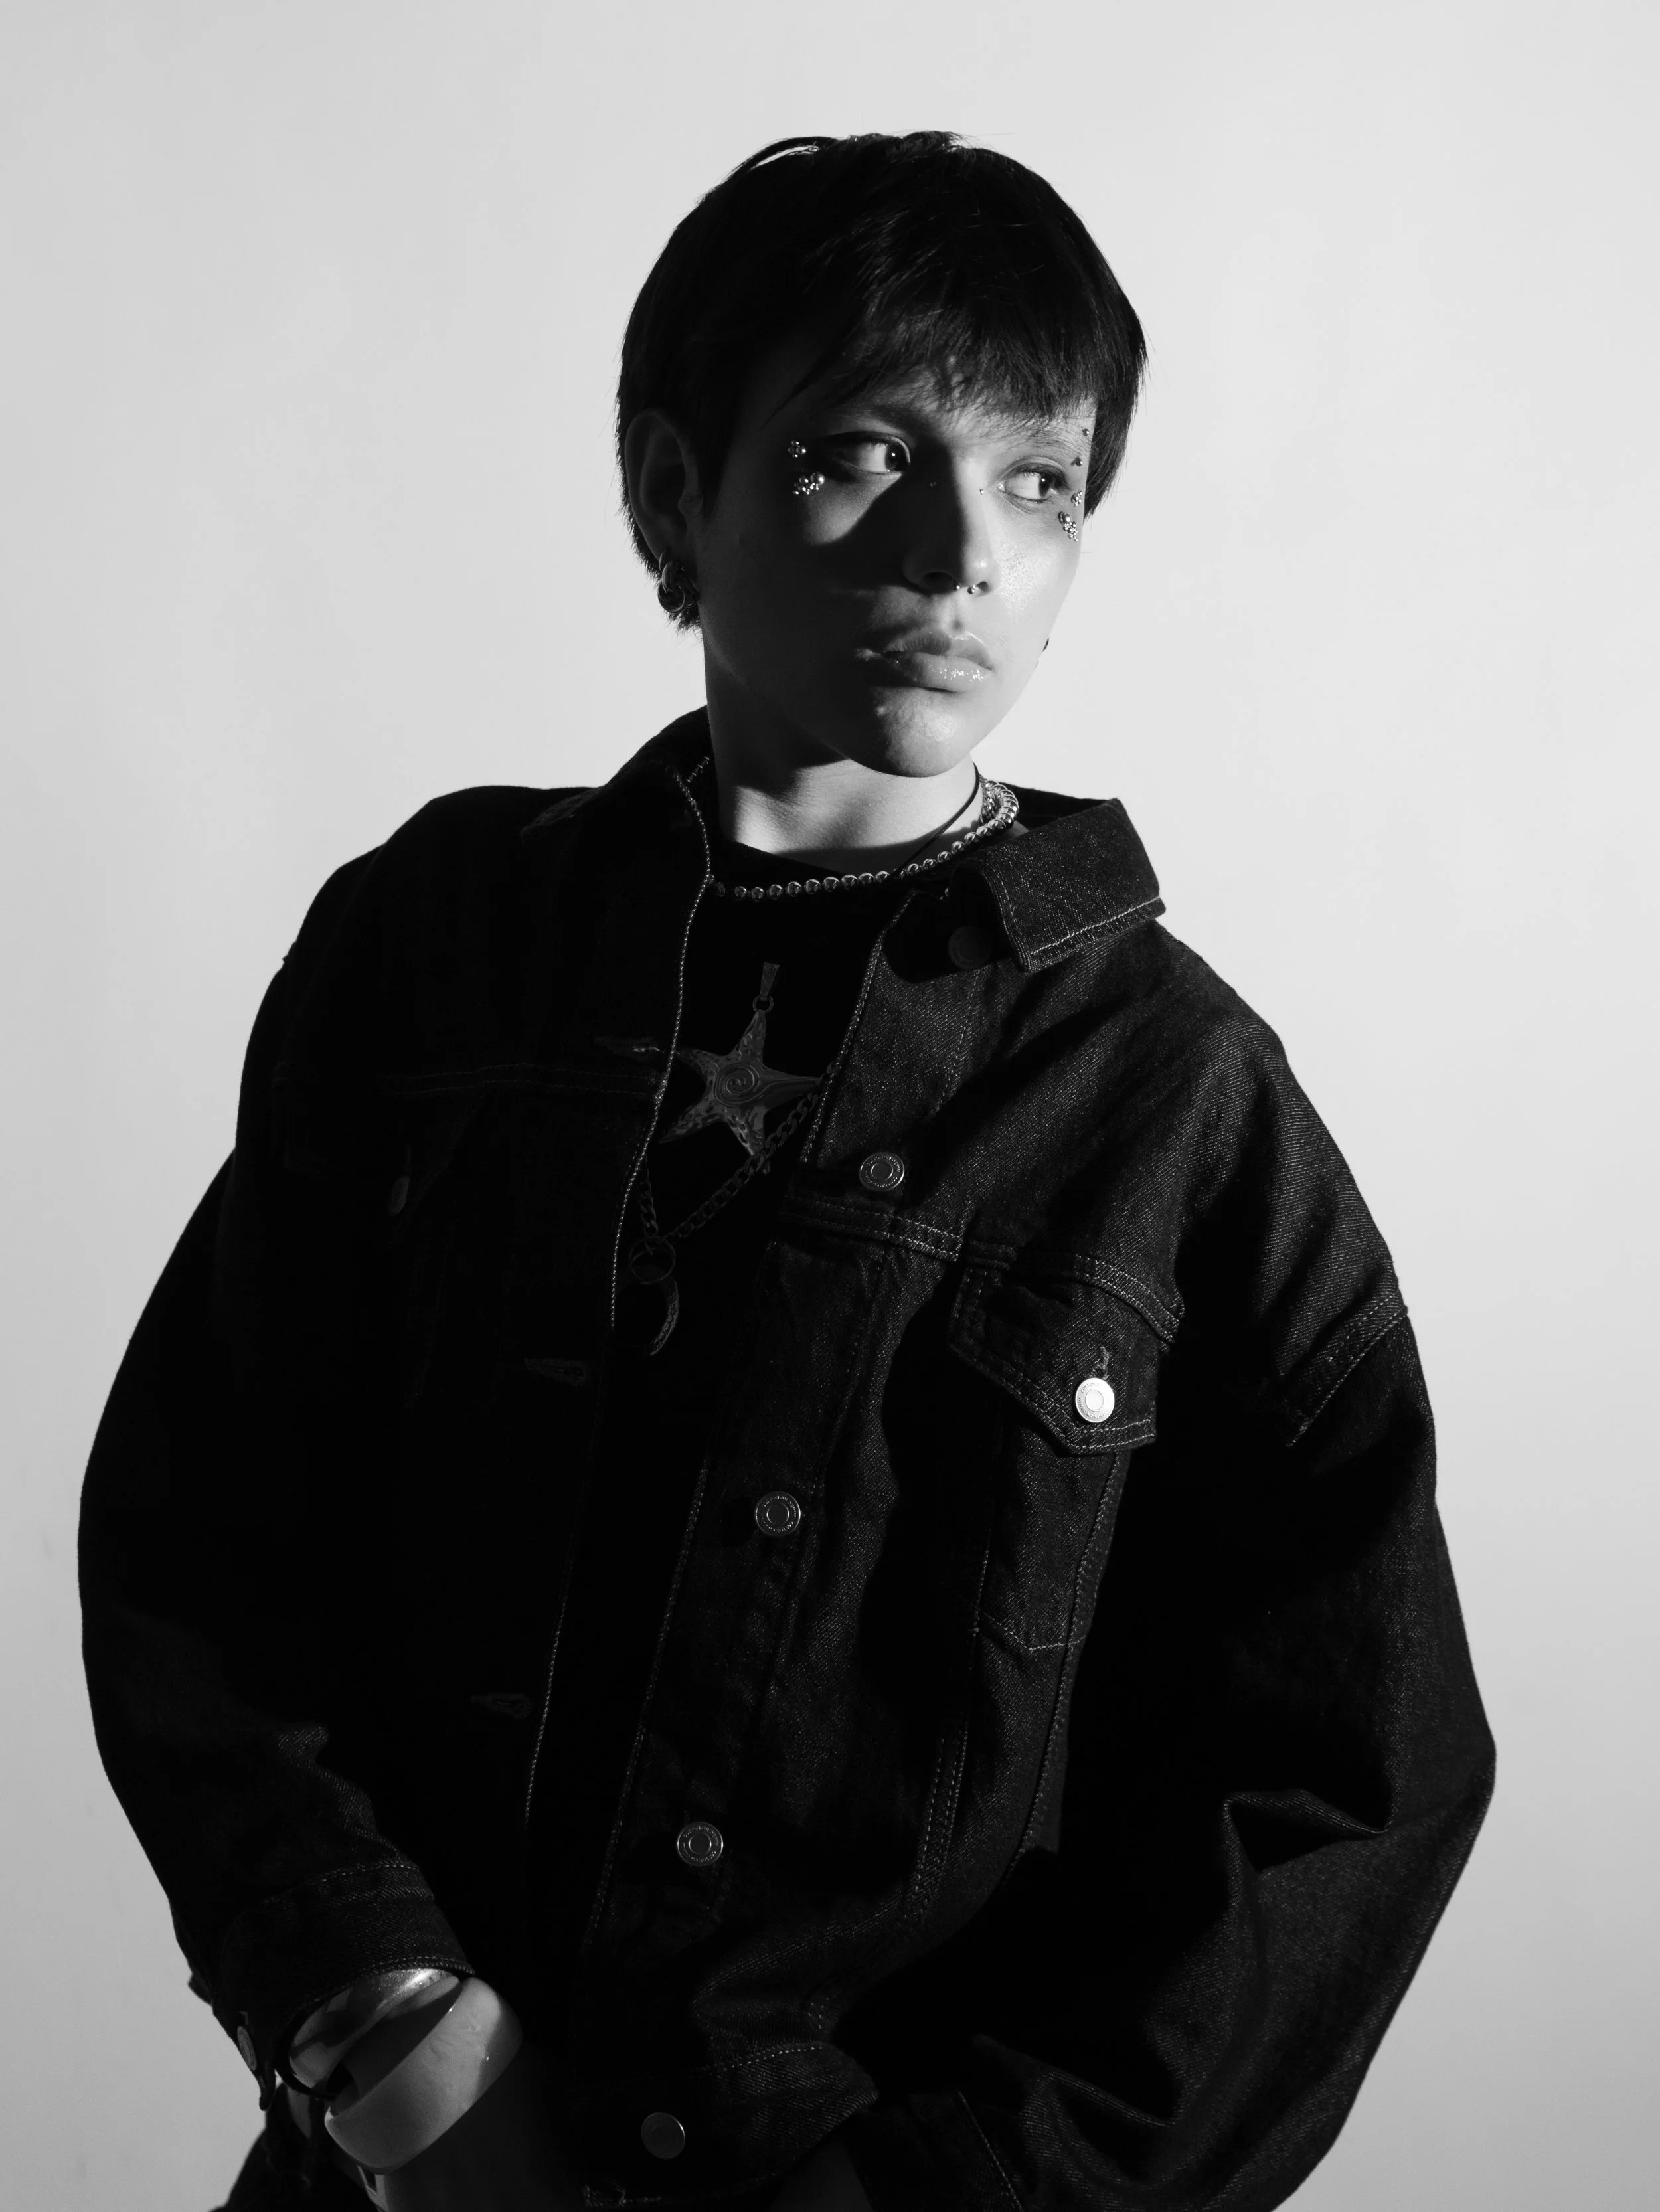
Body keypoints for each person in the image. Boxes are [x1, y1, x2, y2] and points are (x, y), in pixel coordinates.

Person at [80, 132, 1494, 2212]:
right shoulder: (438, 947)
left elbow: (1345, 1778)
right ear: (675, 493)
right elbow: (205, 1538)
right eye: (856, 454)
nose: (957, 556)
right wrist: (388, 2036)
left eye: (1038, 481)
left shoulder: (1173, 1093)